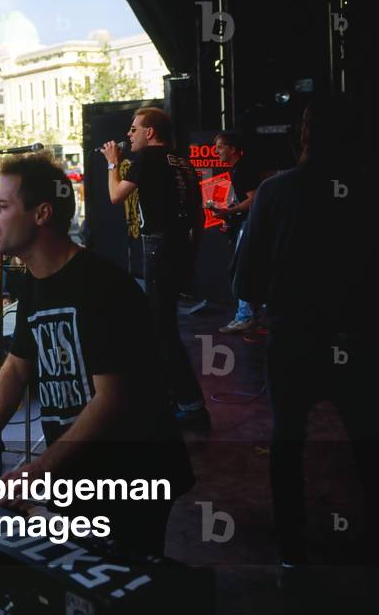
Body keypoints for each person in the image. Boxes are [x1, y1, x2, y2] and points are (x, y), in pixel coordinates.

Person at [0, 153, 194, 558]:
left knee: (123, 585)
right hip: (80, 472)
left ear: (41, 213)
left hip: (133, 472)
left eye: (1, 206)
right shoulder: (36, 285)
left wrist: (38, 471)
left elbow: (112, 399)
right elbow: (17, 366)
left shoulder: (104, 286)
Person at [233, 98, 375, 578]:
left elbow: (246, 282)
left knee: (287, 441)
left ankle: (292, 552)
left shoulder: (275, 193)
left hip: (294, 337)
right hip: (358, 337)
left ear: (304, 135)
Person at [102, 107, 209, 431]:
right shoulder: (181, 161)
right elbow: (197, 214)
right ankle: (177, 399)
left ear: (150, 132)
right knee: (163, 326)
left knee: (163, 330)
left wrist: (111, 162)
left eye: (134, 129)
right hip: (179, 248)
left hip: (159, 247)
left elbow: (115, 196)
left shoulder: (147, 159)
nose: (129, 135)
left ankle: (190, 405)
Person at [209, 131, 261, 334]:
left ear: (232, 149)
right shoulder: (239, 169)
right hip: (247, 223)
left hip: (249, 224)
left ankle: (245, 317)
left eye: (220, 147)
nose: (216, 151)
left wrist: (229, 211)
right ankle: (250, 316)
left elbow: (254, 199)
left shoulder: (242, 170)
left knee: (242, 271)